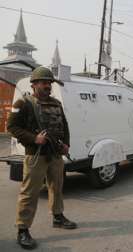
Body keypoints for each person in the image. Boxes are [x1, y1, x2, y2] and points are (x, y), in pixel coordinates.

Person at [7, 66, 77, 250]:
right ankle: (22, 230)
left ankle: (58, 217)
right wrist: (34, 139)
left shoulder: (56, 103)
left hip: (55, 154)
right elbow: (12, 127)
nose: (48, 85)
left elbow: (65, 125)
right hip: (36, 156)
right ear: (34, 84)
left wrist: (66, 144)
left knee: (57, 187)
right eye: (44, 82)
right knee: (29, 193)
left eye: (50, 83)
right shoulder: (23, 103)